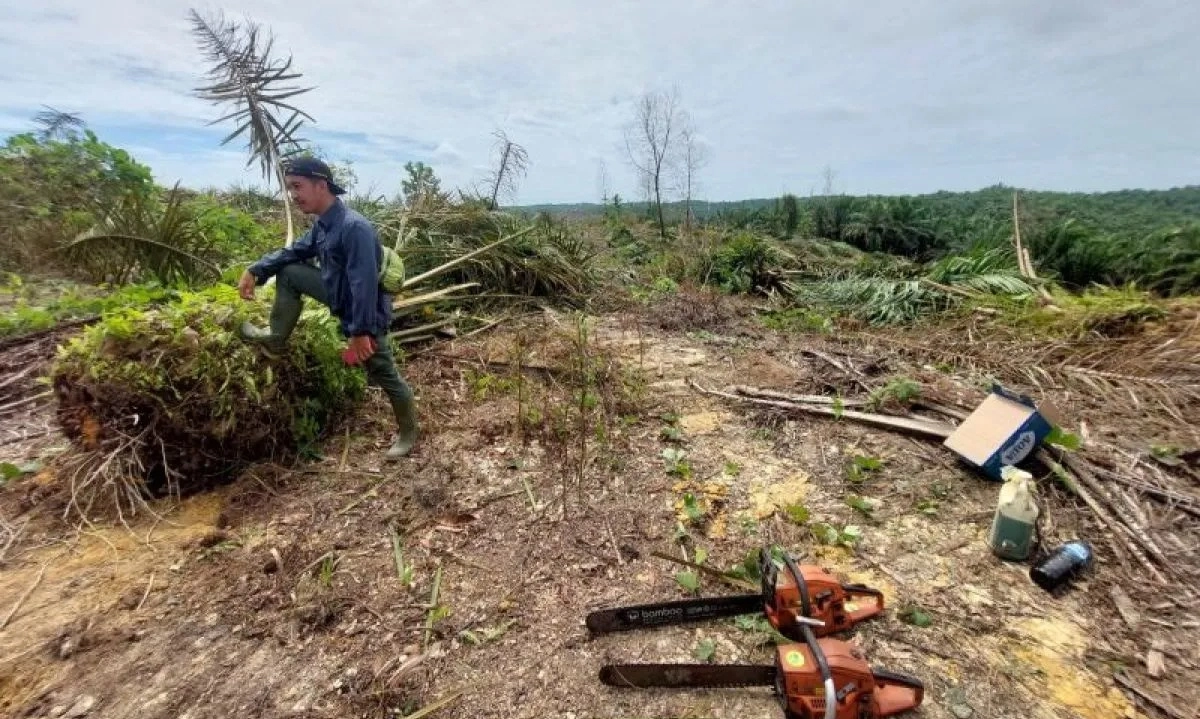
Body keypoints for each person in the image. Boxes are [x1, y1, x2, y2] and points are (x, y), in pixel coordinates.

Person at [236, 157, 418, 459]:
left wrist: (359, 332)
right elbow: (295, 251)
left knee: (384, 372)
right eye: (289, 188)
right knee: (291, 272)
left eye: (298, 186)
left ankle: (409, 433)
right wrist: (256, 269)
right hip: (339, 295)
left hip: (365, 311)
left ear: (322, 185)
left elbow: (365, 286)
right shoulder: (324, 224)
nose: (293, 195)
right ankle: (276, 336)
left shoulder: (353, 228)